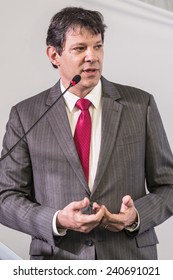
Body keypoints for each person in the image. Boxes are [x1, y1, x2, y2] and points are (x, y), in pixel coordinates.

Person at [0, 6, 173, 260]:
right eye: (80, 48)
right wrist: (57, 220)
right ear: (54, 54)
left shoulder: (140, 105)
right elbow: (5, 197)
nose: (92, 56)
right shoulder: (26, 115)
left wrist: (136, 216)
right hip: (57, 262)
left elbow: (168, 185)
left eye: (98, 46)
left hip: (128, 261)